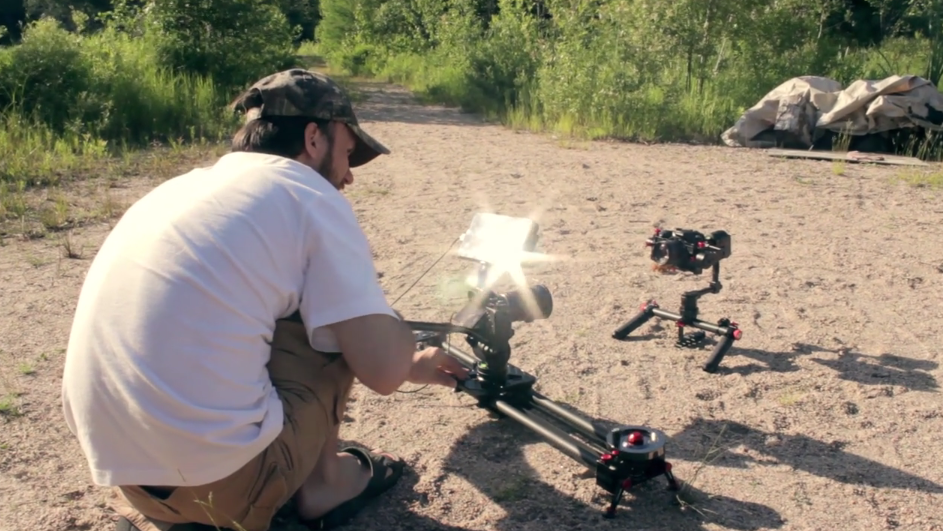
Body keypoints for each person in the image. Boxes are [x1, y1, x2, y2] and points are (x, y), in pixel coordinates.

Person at [60, 68, 469, 531]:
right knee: (331, 321)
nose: (349, 176)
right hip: (225, 489)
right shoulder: (308, 194)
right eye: (348, 153)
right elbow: (383, 371)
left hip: (130, 482)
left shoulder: (179, 189)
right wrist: (394, 337)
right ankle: (325, 485)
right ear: (314, 138)